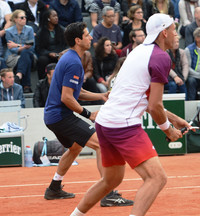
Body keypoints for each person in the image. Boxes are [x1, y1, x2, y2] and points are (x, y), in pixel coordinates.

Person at [69, 14, 190, 216]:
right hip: (122, 125)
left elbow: (146, 100)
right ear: (164, 32)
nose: (176, 34)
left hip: (106, 122)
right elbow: (154, 106)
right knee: (156, 178)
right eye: (174, 30)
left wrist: (175, 120)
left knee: (111, 180)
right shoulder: (161, 57)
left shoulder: (139, 51)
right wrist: (168, 130)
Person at [43, 22, 133, 207]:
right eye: (86, 35)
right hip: (61, 116)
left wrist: (100, 95)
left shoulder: (70, 58)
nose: (91, 37)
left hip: (54, 116)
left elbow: (77, 92)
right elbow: (67, 98)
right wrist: (88, 114)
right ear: (78, 40)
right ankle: (108, 194)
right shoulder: (74, 62)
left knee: (75, 148)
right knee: (101, 144)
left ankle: (54, 188)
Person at [5, 10, 36, 93]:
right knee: (26, 55)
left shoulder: (30, 29)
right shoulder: (9, 31)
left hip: (30, 55)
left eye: (25, 17)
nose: (24, 19)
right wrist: (23, 46)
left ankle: (19, 75)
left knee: (26, 53)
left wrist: (17, 45)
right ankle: (26, 86)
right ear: (15, 19)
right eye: (22, 18)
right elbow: (12, 50)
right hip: (13, 58)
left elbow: (32, 47)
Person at [36, 9, 68, 80]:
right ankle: (42, 81)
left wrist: (62, 53)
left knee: (66, 58)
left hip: (60, 53)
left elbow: (67, 45)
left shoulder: (62, 30)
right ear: (48, 18)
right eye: (54, 16)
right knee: (42, 60)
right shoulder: (41, 32)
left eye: (57, 16)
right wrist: (49, 53)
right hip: (48, 55)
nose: (56, 18)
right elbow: (39, 49)